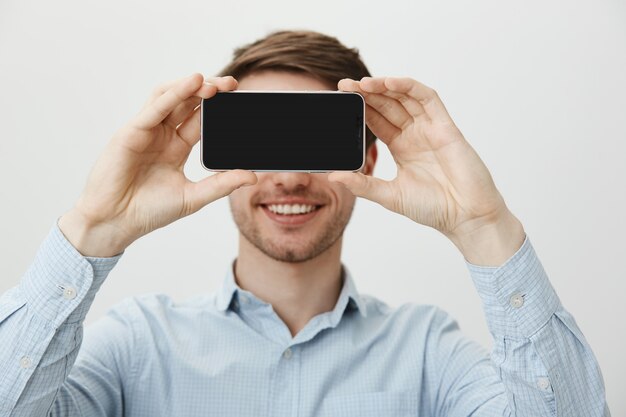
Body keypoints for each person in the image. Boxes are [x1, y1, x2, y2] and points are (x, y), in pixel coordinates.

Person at [0, 30, 609, 417]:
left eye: (314, 140)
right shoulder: (137, 345)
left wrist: (485, 226)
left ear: (368, 157)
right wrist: (91, 228)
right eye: (266, 139)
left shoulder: (427, 353)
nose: (289, 177)